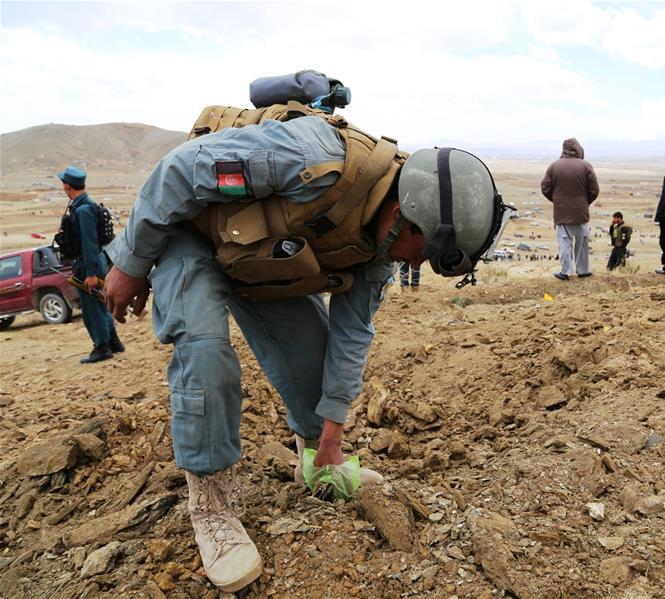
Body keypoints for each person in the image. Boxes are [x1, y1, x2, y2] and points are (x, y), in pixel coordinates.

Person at [103, 115, 505, 593]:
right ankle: (210, 506)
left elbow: (351, 338)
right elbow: (177, 172)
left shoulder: (379, 249)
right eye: (421, 252)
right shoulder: (308, 158)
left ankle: (316, 458)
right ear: (400, 215)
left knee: (315, 372)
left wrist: (331, 435)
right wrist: (130, 262)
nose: (415, 265)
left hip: (264, 257)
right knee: (207, 356)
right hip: (194, 237)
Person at [56, 166, 124, 363]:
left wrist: (92, 273)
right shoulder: (84, 205)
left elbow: (89, 242)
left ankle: (101, 348)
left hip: (89, 262)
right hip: (93, 260)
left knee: (92, 309)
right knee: (99, 303)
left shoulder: (84, 210)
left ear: (67, 187)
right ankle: (113, 343)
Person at [540, 138, 599, 280]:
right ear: (579, 149)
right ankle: (583, 271)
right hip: (581, 211)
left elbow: (545, 188)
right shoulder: (586, 166)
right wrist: (584, 202)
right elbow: (594, 190)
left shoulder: (554, 166)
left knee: (564, 242)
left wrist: (557, 200)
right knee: (582, 242)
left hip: (561, 211)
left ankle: (565, 272)